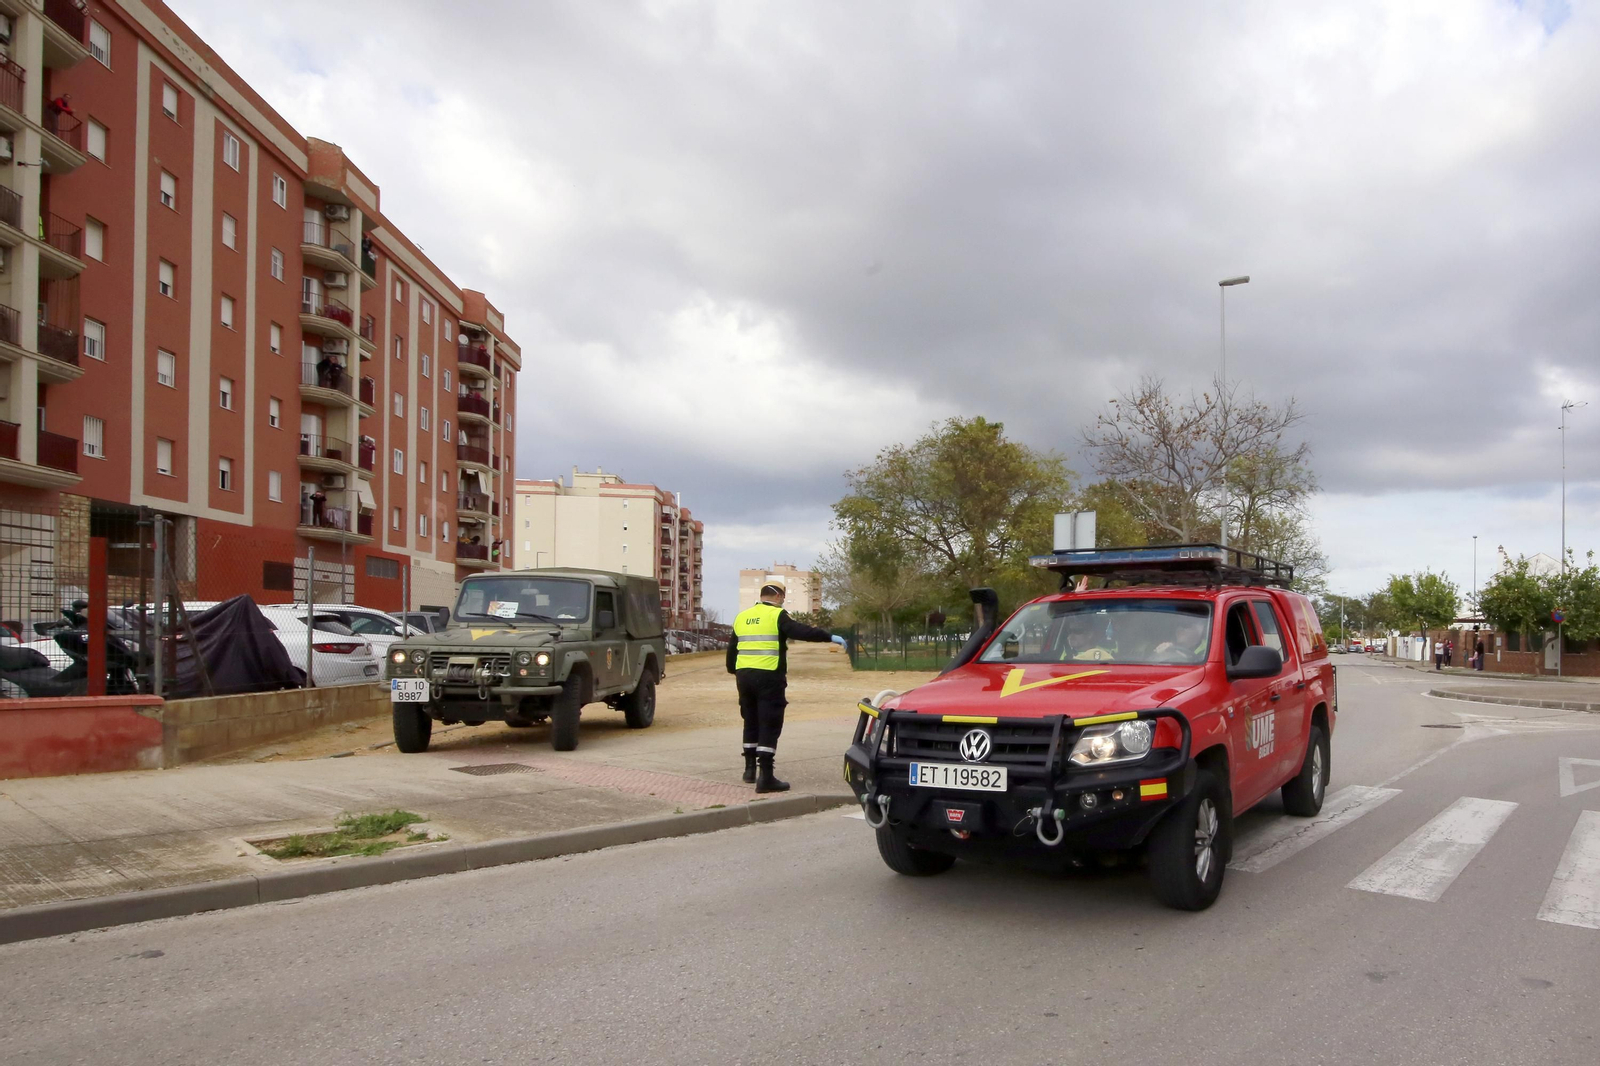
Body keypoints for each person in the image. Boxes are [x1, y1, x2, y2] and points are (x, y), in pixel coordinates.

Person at [726, 578, 834, 792]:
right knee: (769, 722)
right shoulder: (777, 615)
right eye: (783, 597)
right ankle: (766, 777)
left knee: (751, 720)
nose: (783, 601)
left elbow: (732, 650)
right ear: (778, 596)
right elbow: (801, 632)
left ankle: (749, 770)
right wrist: (829, 636)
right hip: (769, 676)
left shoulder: (742, 617)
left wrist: (735, 670)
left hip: (744, 677)